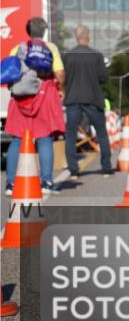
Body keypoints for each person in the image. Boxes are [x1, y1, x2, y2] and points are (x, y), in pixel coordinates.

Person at [4, 17, 66, 194]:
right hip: (43, 96)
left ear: (28, 31)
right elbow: (60, 74)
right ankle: (46, 182)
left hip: (20, 98)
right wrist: (59, 87)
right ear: (44, 31)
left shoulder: (17, 48)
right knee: (44, 138)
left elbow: (10, 73)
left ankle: (11, 184)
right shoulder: (50, 48)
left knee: (17, 139)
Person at [63, 25, 114, 179]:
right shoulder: (97, 55)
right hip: (93, 98)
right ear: (88, 36)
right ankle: (106, 168)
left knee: (71, 135)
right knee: (101, 133)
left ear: (76, 37)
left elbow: (62, 77)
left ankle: (73, 170)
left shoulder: (67, 56)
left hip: (73, 98)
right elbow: (104, 78)